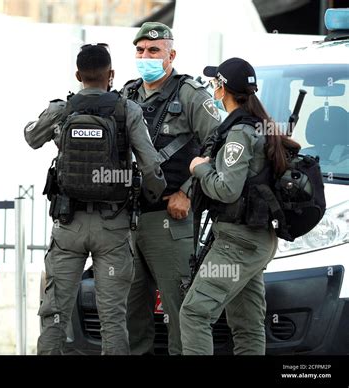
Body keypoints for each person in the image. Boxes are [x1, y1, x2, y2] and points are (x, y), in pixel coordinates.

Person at [25, 44, 166, 355]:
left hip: (68, 226)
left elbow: (31, 137)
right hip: (113, 228)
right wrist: (151, 198)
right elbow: (151, 167)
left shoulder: (63, 109)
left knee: (55, 314)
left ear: (78, 75)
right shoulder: (127, 110)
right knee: (113, 318)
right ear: (111, 75)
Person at [180, 57, 301, 355]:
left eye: (214, 83)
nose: (211, 88)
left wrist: (199, 168)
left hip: (237, 243)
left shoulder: (238, 133)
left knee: (194, 314)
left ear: (223, 88)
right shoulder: (259, 126)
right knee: (247, 325)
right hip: (256, 241)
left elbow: (226, 189)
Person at [122, 22, 220, 355]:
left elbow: (218, 145)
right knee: (131, 313)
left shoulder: (191, 94)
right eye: (140, 50)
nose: (145, 56)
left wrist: (189, 192)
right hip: (129, 220)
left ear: (171, 54)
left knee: (181, 314)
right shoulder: (127, 94)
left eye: (153, 50)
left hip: (171, 218)